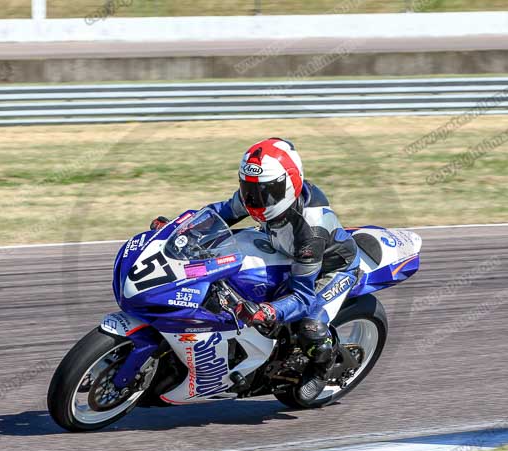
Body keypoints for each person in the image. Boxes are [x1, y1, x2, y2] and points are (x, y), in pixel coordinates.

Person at [151, 138, 360, 402]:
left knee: (310, 325)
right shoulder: (259, 195)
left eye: (265, 192)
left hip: (330, 268)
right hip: (282, 248)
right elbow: (220, 213)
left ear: (290, 183)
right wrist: (180, 228)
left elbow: (303, 297)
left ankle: (320, 367)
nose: (255, 199)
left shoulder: (311, 231)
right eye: (249, 189)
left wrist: (269, 310)